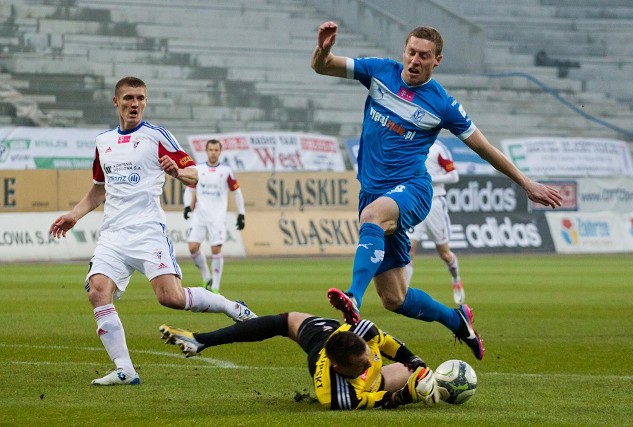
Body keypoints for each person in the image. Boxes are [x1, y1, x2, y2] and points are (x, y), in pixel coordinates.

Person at [311, 21, 563, 361]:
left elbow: (484, 148)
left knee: (372, 218)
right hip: (372, 192)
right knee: (394, 298)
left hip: (412, 190)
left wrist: (526, 183)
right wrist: (324, 49)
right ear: (404, 51)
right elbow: (323, 66)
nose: (415, 60)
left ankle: (353, 298)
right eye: (411, 52)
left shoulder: (443, 104)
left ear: (437, 60)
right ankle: (457, 320)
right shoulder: (379, 72)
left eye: (424, 56)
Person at [49, 76, 257, 386]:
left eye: (141, 98)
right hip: (112, 234)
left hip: (148, 231)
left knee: (170, 298)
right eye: (129, 98)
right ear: (116, 102)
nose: (135, 104)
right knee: (97, 291)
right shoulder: (103, 142)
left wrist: (177, 172)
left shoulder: (156, 136)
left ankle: (230, 306)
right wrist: (75, 215)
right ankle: (125, 369)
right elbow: (98, 189)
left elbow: (194, 174)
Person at [159, 313, 440, 410]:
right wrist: (403, 397)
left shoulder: (362, 332)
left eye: (368, 358)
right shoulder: (336, 395)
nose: (369, 362)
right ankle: (202, 338)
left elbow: (390, 344)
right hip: (321, 360)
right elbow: (379, 402)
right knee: (377, 382)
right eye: (363, 365)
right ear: (340, 369)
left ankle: (202, 339)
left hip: (325, 333)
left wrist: (413, 360)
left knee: (284, 321)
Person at [405, 139, 464, 305]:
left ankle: (456, 279)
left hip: (435, 202)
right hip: (416, 202)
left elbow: (454, 175)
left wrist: (429, 178)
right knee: (408, 250)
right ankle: (403, 293)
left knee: (444, 253)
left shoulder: (438, 148)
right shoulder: (410, 144)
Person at [183, 138, 246, 293]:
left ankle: (216, 287)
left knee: (216, 250)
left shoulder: (226, 171)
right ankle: (206, 276)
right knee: (192, 247)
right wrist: (186, 206)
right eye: (210, 150)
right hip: (200, 215)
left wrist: (241, 213)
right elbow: (190, 189)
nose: (213, 153)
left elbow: (236, 192)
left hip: (217, 217)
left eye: (216, 150)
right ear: (206, 151)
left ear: (220, 151)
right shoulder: (198, 169)